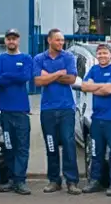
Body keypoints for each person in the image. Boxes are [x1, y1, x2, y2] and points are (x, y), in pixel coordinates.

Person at [32, 28, 81, 195]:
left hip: (66, 108)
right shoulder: (39, 58)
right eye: (58, 40)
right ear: (49, 40)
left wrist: (50, 76)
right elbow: (38, 81)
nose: (61, 43)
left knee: (68, 144)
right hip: (47, 109)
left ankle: (72, 181)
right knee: (51, 145)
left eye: (62, 40)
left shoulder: (68, 57)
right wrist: (59, 73)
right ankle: (54, 180)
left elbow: (71, 79)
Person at [0, 28, 33, 195]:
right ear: (5, 41)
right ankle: (10, 180)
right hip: (5, 111)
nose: (11, 41)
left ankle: (20, 180)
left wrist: (6, 76)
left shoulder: (26, 58)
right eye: (9, 39)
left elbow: (25, 77)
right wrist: (13, 75)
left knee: (22, 147)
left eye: (14, 38)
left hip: (21, 111)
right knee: (8, 146)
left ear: (18, 40)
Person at [81, 43, 111, 196]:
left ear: (110, 54)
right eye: (99, 54)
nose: (102, 56)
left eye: (105, 53)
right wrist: (102, 87)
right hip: (97, 119)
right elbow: (85, 86)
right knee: (96, 152)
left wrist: (97, 87)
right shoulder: (93, 69)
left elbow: (110, 89)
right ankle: (95, 181)